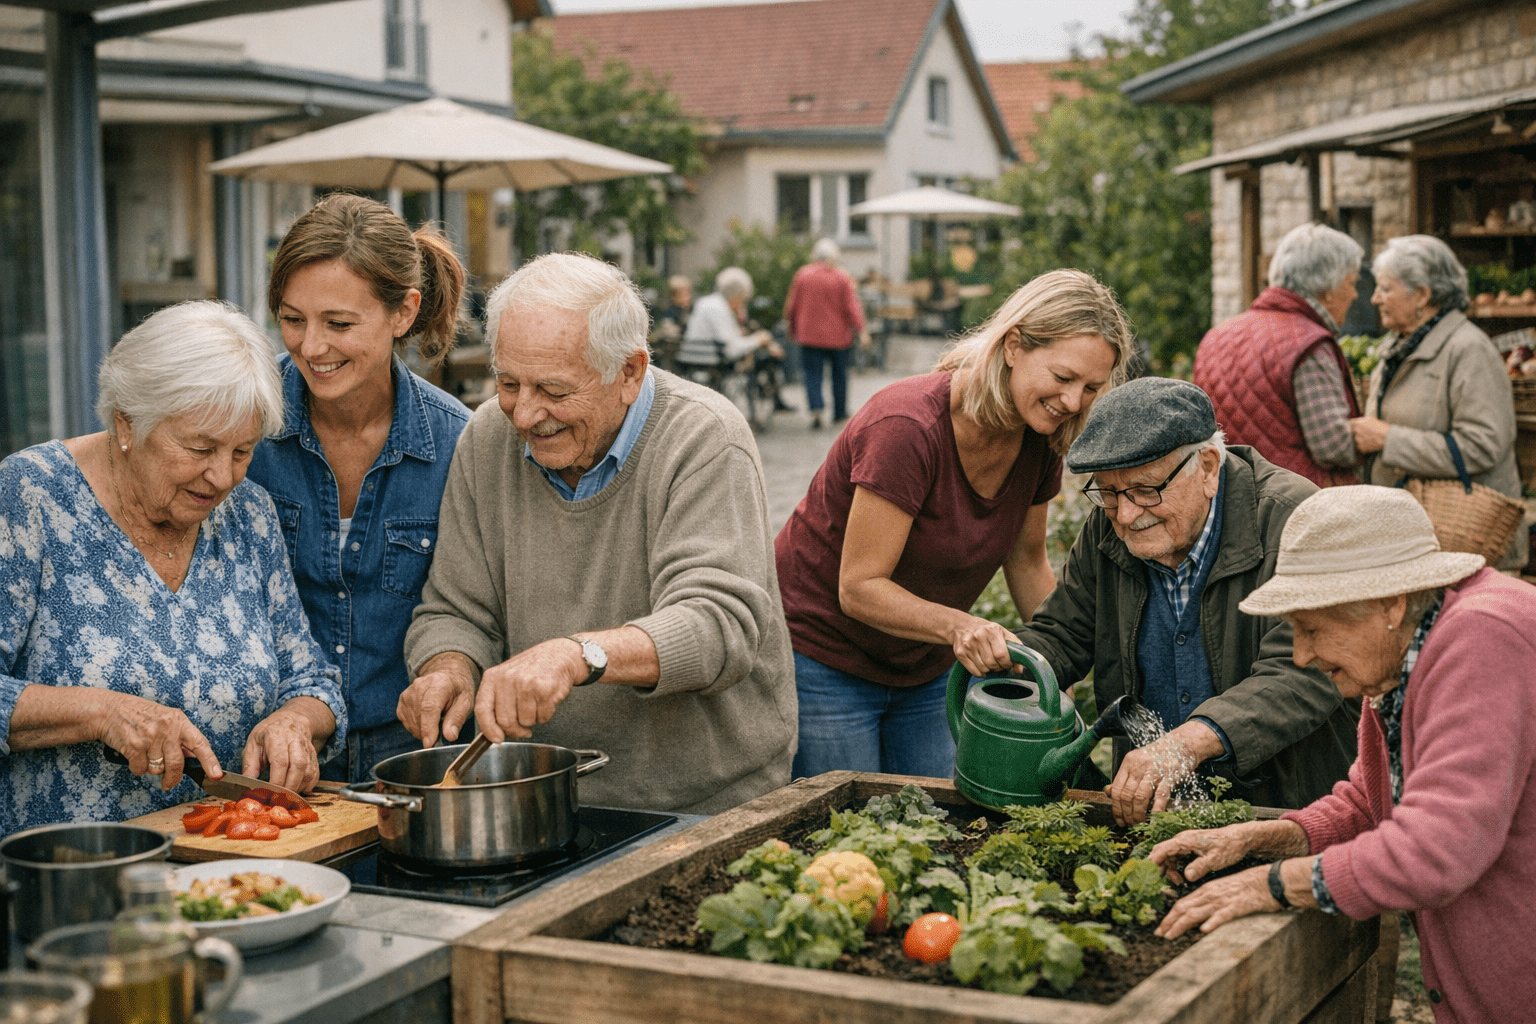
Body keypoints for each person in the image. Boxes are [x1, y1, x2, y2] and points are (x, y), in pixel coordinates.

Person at [397, 252, 796, 814]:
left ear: (628, 373)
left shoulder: (705, 437)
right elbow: (455, 609)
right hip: (547, 795)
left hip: (707, 800)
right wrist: (448, 667)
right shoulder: (488, 435)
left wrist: (576, 655)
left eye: (555, 391)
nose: (525, 415)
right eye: (508, 383)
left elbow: (717, 625)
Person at [1149, 486, 1536, 1024]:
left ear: (1388, 604)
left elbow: (1438, 847)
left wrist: (1275, 885)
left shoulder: (1483, 637)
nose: (1302, 655)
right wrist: (1266, 837)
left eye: (1311, 629)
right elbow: (1369, 801)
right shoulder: (1403, 650)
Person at [0, 301, 347, 834]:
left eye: (242, 451)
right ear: (127, 423)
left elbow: (310, 677)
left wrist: (295, 720)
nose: (222, 476)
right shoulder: (29, 496)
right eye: (199, 447)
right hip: (71, 877)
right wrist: (101, 712)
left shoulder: (248, 515)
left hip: (229, 868)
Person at [776, 269, 1132, 778]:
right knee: (847, 834)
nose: (1073, 401)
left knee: (932, 826)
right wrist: (962, 626)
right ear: (1013, 346)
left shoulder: (1039, 436)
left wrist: (1058, 670)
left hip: (924, 668)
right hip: (823, 659)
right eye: (1063, 377)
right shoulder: (907, 428)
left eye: (1092, 387)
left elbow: (1029, 563)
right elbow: (859, 587)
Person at [1011, 377, 1359, 823]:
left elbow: (1305, 670)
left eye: (1144, 490)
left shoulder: (1295, 521)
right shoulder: (1108, 526)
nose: (1127, 515)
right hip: (1152, 810)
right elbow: (1064, 632)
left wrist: (1188, 742)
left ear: (1209, 467)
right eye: (1110, 493)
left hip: (1281, 806)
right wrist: (1014, 662)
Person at [246, 193, 469, 782]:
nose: (311, 347)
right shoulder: (244, 425)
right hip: (271, 753)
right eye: (292, 319)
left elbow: (475, 606)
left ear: (403, 312)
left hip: (417, 757)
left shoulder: (458, 444)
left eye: (339, 324)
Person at [1348, 234, 1527, 570]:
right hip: (1417, 542)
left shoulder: (1468, 350)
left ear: (1423, 295)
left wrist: (1389, 439)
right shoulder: (1398, 347)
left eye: (1386, 289)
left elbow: (1483, 445)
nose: (1374, 298)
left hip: (1466, 546)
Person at [1194, 222, 1364, 487]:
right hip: (1297, 506)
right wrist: (1378, 438)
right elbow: (1333, 446)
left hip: (1230, 500)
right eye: (1352, 282)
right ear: (1327, 290)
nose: (1355, 294)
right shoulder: (1308, 344)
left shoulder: (1215, 337)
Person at [783, 238, 869, 429]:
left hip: (809, 336)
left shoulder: (802, 275)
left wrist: (792, 328)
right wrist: (861, 331)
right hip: (838, 337)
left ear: (815, 255)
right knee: (839, 376)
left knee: (812, 374)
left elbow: (792, 306)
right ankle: (839, 413)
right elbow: (851, 307)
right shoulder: (841, 277)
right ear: (834, 257)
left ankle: (816, 408)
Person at [677, 266, 789, 408]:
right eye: (743, 298)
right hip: (713, 362)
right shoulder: (720, 308)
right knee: (759, 358)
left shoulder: (705, 302)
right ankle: (765, 397)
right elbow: (732, 349)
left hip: (691, 360)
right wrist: (758, 339)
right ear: (737, 294)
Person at [647, 273, 693, 372]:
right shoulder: (670, 312)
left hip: (689, 349)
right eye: (683, 295)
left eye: (688, 294)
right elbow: (670, 333)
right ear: (674, 296)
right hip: (676, 353)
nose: (687, 298)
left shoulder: (691, 310)